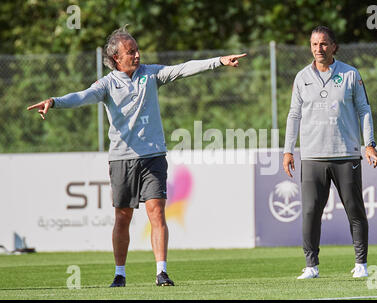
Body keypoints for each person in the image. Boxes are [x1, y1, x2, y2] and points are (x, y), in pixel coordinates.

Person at [27, 25, 247, 287]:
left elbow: (183, 68)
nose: (137, 55)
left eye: (137, 50)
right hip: (122, 159)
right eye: (130, 52)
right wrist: (55, 101)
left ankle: (161, 272)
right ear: (116, 58)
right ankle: (120, 273)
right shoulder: (107, 84)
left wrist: (218, 61)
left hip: (153, 156)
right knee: (123, 216)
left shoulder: (150, 75)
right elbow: (83, 96)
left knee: (157, 211)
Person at [282, 26, 377, 279]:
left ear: (334, 46)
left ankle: (361, 264)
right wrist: (288, 150)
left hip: (346, 155)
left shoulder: (350, 74)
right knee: (310, 212)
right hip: (313, 157)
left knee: (354, 209)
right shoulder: (301, 77)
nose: (319, 49)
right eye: (314, 44)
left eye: (324, 44)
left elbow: (364, 110)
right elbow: (294, 115)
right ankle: (311, 266)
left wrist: (369, 144)